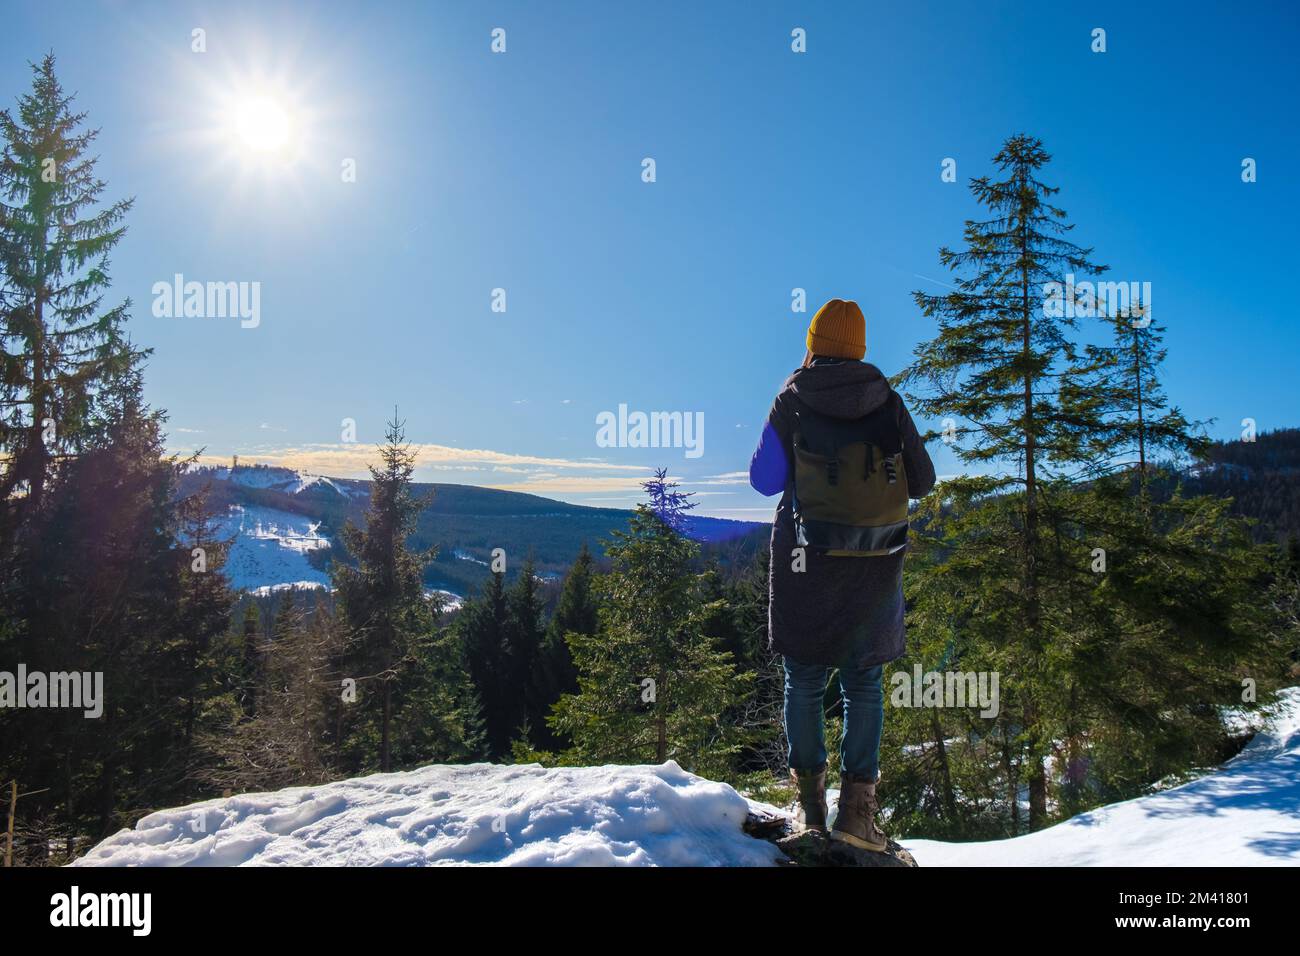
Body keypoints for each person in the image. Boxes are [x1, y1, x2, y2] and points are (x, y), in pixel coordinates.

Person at [749, 298, 935, 851]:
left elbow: (763, 479)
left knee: (803, 679)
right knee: (864, 683)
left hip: (808, 560)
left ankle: (809, 812)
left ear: (814, 343)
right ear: (859, 347)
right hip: (874, 564)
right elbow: (922, 481)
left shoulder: (794, 398)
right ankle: (857, 817)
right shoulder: (887, 401)